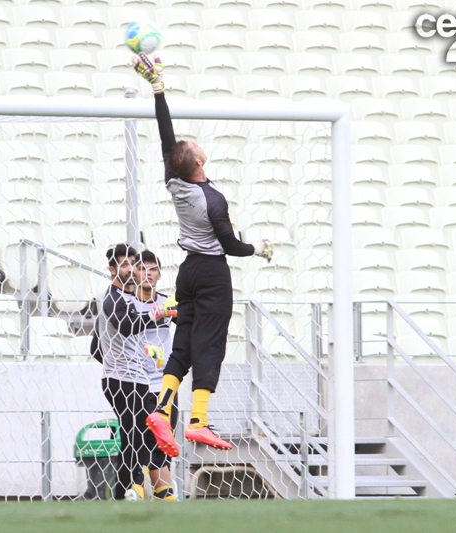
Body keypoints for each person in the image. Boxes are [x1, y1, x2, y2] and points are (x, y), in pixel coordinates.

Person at [131, 54, 274, 458]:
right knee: (210, 346)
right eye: (192, 146)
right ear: (198, 161)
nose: (188, 143)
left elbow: (165, 134)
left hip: (186, 272)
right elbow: (231, 247)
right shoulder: (213, 199)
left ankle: (161, 409)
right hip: (211, 272)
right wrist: (257, 249)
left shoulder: (174, 180)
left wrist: (158, 87)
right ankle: (197, 422)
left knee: (184, 344)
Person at [93, 244, 175, 501]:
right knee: (140, 436)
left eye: (133, 264)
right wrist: (119, 363)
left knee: (142, 437)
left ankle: (141, 492)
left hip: (146, 380)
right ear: (112, 270)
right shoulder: (113, 298)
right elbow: (124, 329)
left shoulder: (131, 298)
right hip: (124, 380)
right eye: (125, 265)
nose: (131, 270)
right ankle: (135, 489)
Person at [131, 249, 178, 500]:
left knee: (164, 437)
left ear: (159, 274)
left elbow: (188, 325)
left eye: (152, 269)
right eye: (142, 268)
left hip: (166, 382)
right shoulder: (127, 304)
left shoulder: (168, 302)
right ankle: (137, 486)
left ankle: (163, 492)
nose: (147, 273)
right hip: (138, 381)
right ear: (134, 273)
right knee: (143, 435)